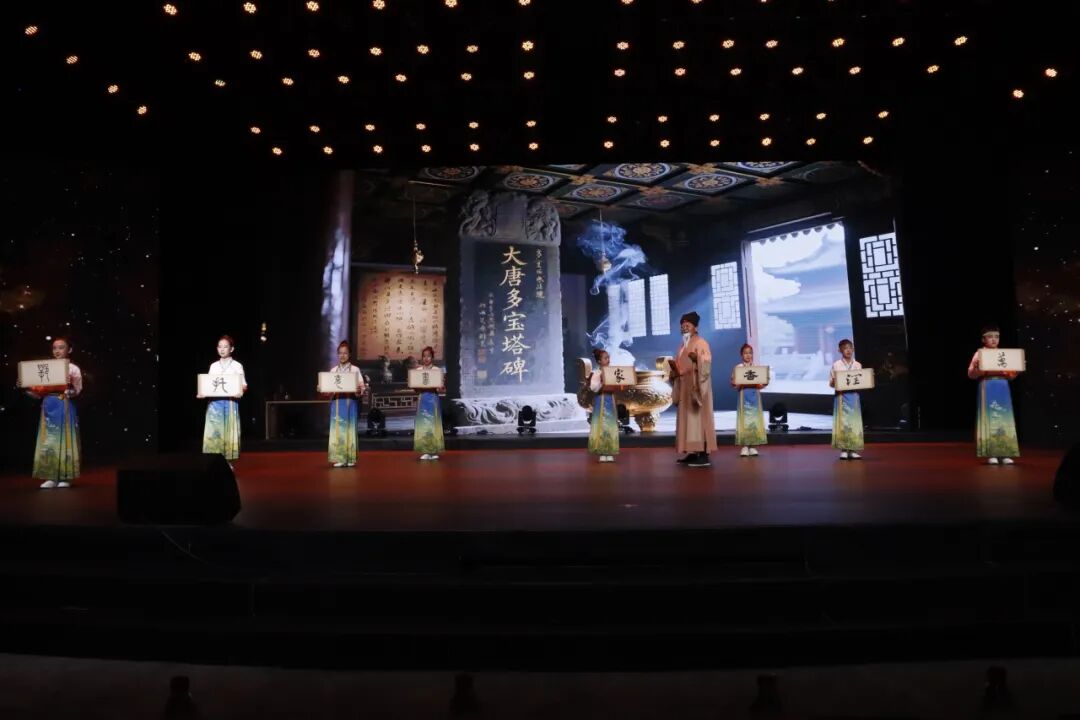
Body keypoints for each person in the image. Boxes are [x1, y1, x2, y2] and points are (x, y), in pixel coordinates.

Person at [19, 337, 82, 488]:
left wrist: (68, 388)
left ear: (69, 350)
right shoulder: (45, 368)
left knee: (64, 439)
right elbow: (37, 393)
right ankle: (51, 476)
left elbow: (77, 390)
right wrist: (25, 386)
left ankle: (65, 477)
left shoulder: (72, 368)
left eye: (61, 347)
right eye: (54, 348)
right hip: (48, 405)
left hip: (63, 403)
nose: (57, 351)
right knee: (49, 440)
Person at [967, 326, 1020, 464]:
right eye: (990, 337)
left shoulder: (1004, 354)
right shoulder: (979, 354)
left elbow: (1011, 375)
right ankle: (991, 453)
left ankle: (1006, 452)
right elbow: (970, 374)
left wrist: (1016, 370)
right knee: (990, 418)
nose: (994, 339)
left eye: (996, 337)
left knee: (1005, 418)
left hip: (1002, 386)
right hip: (987, 385)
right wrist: (979, 370)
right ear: (983, 339)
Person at [670, 311, 716, 467]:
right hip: (685, 386)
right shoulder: (683, 345)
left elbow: (706, 364)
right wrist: (674, 371)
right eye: (682, 326)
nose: (684, 328)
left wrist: (698, 360)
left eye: (687, 325)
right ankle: (692, 450)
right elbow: (680, 365)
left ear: (695, 328)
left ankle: (703, 453)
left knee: (698, 418)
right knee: (688, 420)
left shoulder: (701, 343)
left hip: (696, 386)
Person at [199, 335, 247, 467]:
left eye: (225, 347)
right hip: (214, 405)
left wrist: (240, 391)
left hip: (230, 404)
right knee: (214, 433)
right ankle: (213, 464)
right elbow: (208, 384)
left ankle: (229, 464)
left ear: (231, 349)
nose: (222, 349)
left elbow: (243, 385)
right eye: (220, 347)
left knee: (228, 433)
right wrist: (203, 393)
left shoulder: (237, 366)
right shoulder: (213, 366)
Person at [323, 340, 364, 467]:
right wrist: (323, 388)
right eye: (340, 353)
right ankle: (340, 458)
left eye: (345, 353)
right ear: (337, 354)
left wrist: (359, 389)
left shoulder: (355, 370)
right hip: (337, 403)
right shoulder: (333, 370)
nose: (342, 355)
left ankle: (350, 458)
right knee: (338, 430)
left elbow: (361, 388)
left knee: (350, 429)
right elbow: (329, 391)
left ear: (349, 354)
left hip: (350, 402)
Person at [587, 348, 626, 463]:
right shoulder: (596, 373)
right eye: (605, 358)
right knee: (601, 424)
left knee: (610, 425)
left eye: (608, 357)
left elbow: (619, 384)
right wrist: (601, 381)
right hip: (601, 400)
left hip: (610, 400)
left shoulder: (613, 372)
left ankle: (610, 451)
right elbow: (593, 388)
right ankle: (601, 451)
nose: (608, 360)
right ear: (599, 361)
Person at [828, 338, 865, 460]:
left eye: (850, 348)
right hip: (841, 396)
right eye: (845, 348)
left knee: (854, 422)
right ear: (840, 350)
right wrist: (834, 381)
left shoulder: (857, 365)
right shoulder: (836, 365)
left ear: (853, 349)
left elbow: (861, 381)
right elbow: (831, 383)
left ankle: (853, 449)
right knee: (843, 423)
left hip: (853, 396)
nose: (848, 350)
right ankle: (844, 449)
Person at [731, 343, 767, 457]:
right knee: (744, 420)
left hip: (754, 396)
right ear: (741, 355)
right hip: (744, 396)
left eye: (750, 353)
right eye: (745, 353)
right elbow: (733, 384)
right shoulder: (738, 368)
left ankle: (752, 446)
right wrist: (738, 382)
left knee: (754, 420)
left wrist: (764, 382)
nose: (748, 355)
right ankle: (745, 446)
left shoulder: (756, 368)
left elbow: (761, 384)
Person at [414, 346, 445, 461]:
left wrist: (440, 385)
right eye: (424, 356)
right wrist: (414, 384)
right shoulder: (418, 371)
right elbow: (416, 389)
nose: (426, 358)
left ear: (432, 357)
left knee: (433, 424)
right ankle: (426, 451)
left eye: (428, 356)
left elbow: (441, 389)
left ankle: (434, 450)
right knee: (423, 424)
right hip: (423, 399)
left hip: (433, 399)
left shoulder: (437, 370)